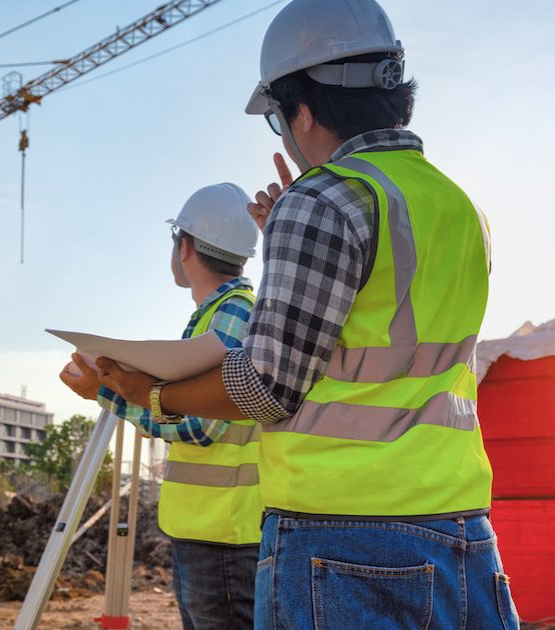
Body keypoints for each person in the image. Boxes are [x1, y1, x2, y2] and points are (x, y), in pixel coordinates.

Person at [90, 0, 521, 627]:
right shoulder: (457, 205)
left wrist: (152, 394)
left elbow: (267, 385)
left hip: (343, 538)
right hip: (460, 529)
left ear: (304, 110)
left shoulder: (324, 198)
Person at [61, 183, 262, 629]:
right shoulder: (215, 315)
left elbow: (205, 423)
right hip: (209, 532)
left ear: (185, 245)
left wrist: (110, 392)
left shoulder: (233, 313)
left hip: (225, 536)